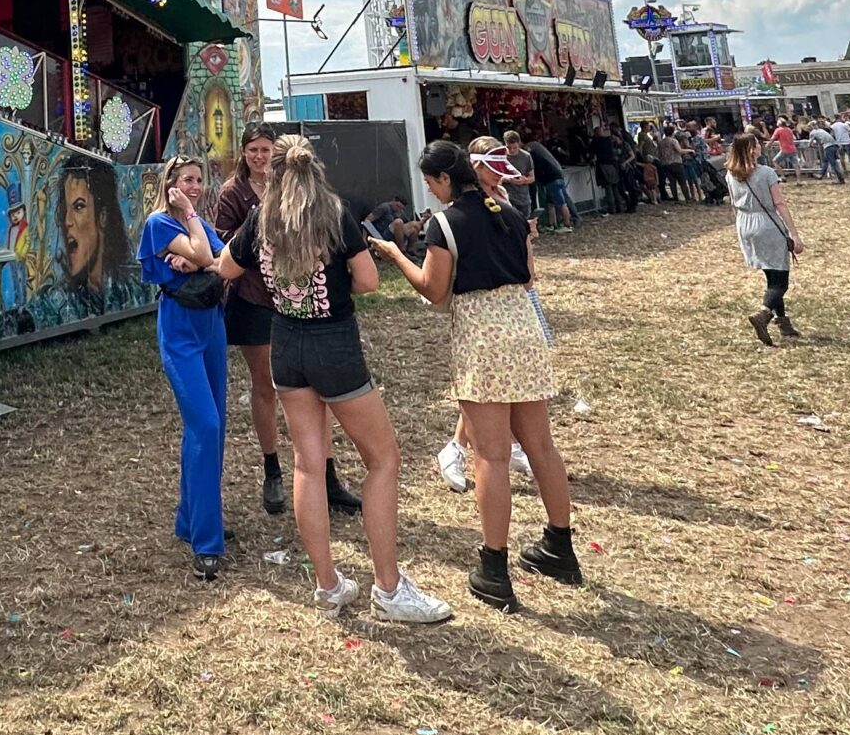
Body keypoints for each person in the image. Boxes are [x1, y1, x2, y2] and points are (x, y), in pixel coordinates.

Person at [213, 136, 449, 625]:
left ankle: (327, 585)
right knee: (383, 459)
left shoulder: (260, 218)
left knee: (307, 464)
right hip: (334, 343)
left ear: (274, 172)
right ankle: (388, 588)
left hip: (285, 344)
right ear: (315, 169)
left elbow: (227, 266)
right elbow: (368, 281)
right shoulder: (334, 213)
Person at [371, 139, 582, 613]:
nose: (430, 190)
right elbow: (527, 276)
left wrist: (396, 255)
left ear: (446, 178)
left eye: (431, 182)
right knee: (541, 445)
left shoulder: (445, 223)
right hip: (523, 328)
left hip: (483, 338)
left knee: (490, 455)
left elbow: (433, 289)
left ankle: (494, 567)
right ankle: (560, 544)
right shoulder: (509, 212)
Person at [212, 127, 356, 518]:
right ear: (243, 153)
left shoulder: (305, 191)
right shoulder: (234, 194)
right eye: (252, 150)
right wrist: (263, 230)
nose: (259, 157)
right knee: (266, 386)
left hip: (299, 300)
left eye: (265, 150)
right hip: (255, 299)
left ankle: (327, 476)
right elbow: (225, 245)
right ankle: (272, 469)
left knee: (316, 391)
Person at [138, 157, 229, 580]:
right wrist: (198, 240)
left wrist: (197, 259)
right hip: (179, 328)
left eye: (198, 180)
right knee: (204, 425)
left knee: (214, 426)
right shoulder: (160, 223)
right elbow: (209, 252)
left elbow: (221, 258)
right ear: (170, 184)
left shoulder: (196, 224)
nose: (194, 186)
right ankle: (207, 542)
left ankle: (192, 519)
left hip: (212, 324)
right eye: (187, 180)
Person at [720, 130, 801, 343]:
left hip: (745, 223)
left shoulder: (730, 174)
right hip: (766, 223)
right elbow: (779, 204)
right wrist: (794, 234)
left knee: (771, 275)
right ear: (750, 149)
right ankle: (763, 314)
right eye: (756, 144)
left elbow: (733, 204)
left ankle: (783, 323)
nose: (760, 146)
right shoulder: (766, 173)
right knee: (780, 281)